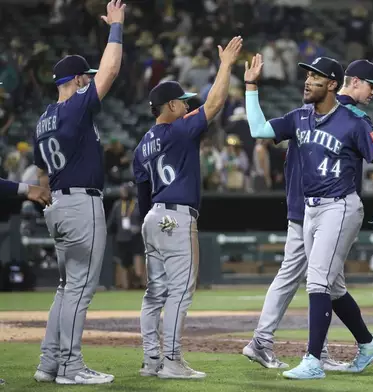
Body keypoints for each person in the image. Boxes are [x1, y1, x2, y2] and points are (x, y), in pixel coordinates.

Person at [245, 55, 373, 379]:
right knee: (331, 286)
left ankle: (313, 359)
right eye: (307, 76)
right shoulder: (302, 116)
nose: (307, 81)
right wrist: (251, 86)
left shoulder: (354, 120)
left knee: (316, 280)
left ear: (332, 83)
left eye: (315, 77)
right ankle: (367, 343)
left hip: (339, 205)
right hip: (308, 207)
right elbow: (259, 129)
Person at [133, 36, 242, 380]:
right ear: (169, 106)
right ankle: (172, 361)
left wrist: (150, 224)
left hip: (152, 218)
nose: (185, 105)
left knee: (155, 294)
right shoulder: (179, 131)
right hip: (177, 217)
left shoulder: (141, 147)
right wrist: (225, 65)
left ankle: (152, 361)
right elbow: (215, 103)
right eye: (180, 101)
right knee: (180, 291)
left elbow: (141, 194)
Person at [32, 0, 125, 385]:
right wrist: (116, 27)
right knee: (81, 290)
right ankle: (70, 366)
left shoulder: (42, 119)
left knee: (65, 287)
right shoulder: (74, 107)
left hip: (57, 202)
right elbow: (112, 69)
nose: (89, 80)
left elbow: (40, 168)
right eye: (84, 77)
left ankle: (49, 363)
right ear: (76, 80)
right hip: (79, 203)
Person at [106, 182, 145, 289]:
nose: (123, 192)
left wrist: (139, 228)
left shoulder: (138, 204)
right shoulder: (117, 205)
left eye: (125, 190)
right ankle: (126, 286)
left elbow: (144, 220)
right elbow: (111, 223)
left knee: (138, 259)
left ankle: (141, 283)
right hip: (121, 239)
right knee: (123, 264)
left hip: (136, 238)